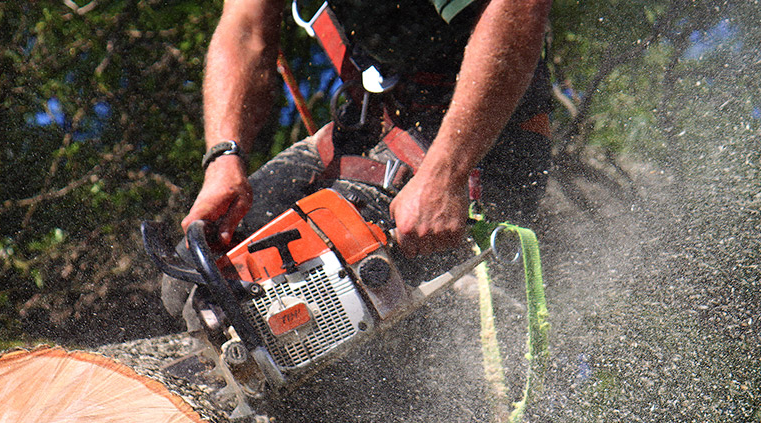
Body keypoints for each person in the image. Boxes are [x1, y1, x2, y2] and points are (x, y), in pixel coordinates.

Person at [180, 0, 553, 263]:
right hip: (380, 121)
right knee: (200, 272)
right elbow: (245, 29)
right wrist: (223, 158)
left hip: (479, 141)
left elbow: (517, 9)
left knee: (315, 282)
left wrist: (446, 174)